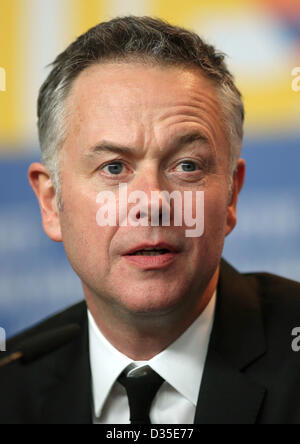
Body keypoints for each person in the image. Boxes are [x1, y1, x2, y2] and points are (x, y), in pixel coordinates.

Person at [0, 16, 300, 425]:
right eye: (113, 168)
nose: (153, 201)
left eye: (187, 165)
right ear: (52, 202)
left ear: (231, 195)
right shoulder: (10, 388)